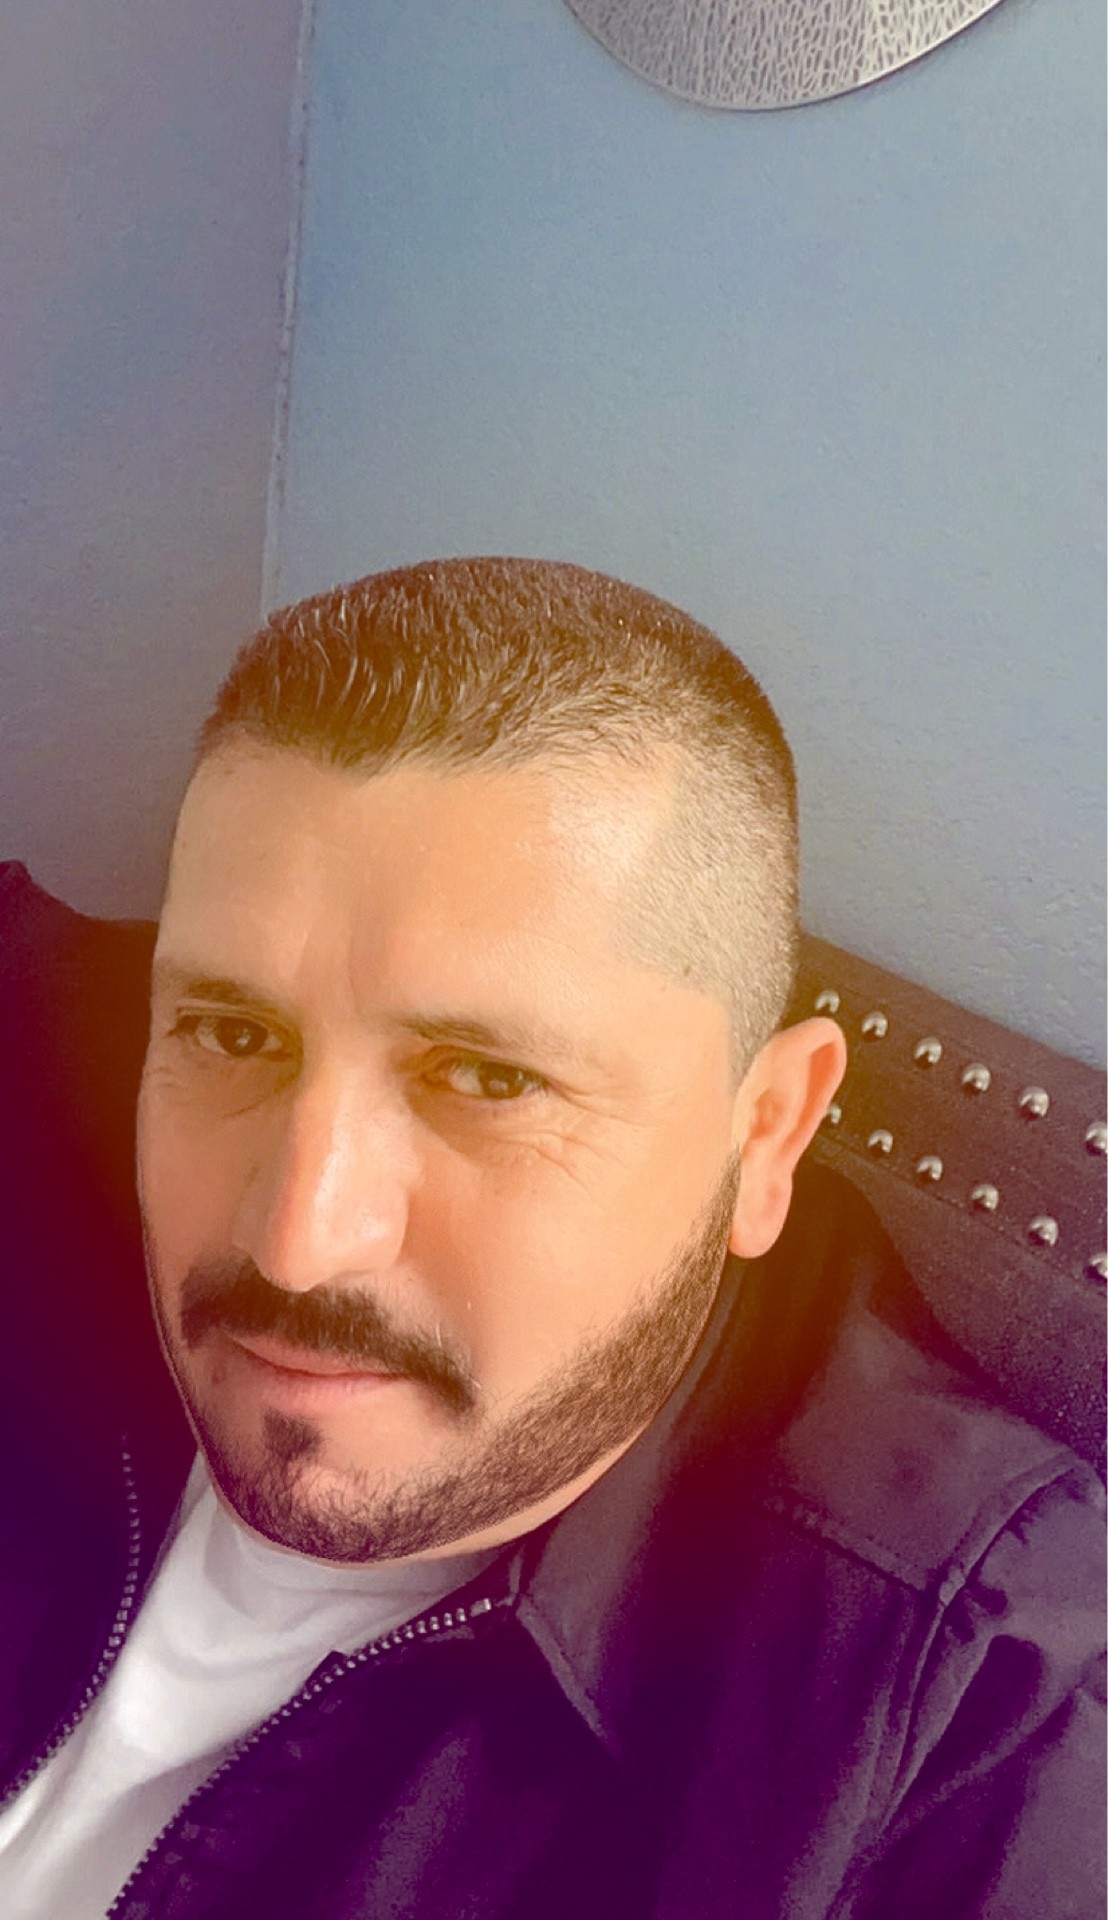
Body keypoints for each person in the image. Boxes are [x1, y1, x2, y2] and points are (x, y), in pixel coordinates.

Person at [0, 557, 1102, 1920]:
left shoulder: (966, 1720)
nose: (296, 1242)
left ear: (765, 1133)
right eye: (233, 1034)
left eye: (487, 1078)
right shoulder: (43, 1141)